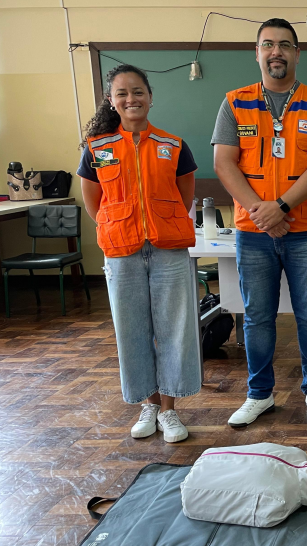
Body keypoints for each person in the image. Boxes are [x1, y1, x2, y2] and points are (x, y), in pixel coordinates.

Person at [213, 18, 307, 427]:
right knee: (257, 317)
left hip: (306, 231)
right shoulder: (235, 102)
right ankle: (259, 394)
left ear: (297, 54)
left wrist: (281, 207)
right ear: (257, 53)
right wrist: (262, 212)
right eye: (268, 44)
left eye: (285, 45)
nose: (276, 52)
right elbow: (224, 163)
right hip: (253, 233)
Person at [78, 64, 199, 443]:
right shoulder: (97, 149)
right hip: (121, 251)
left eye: (137, 91)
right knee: (132, 330)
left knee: (174, 329)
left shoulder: (173, 145)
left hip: (168, 250)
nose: (131, 99)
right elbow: (94, 204)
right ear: (111, 101)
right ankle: (148, 405)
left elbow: (184, 197)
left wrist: (156, 223)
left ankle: (169, 410)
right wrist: (124, 225)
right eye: (122, 93)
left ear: (150, 97)